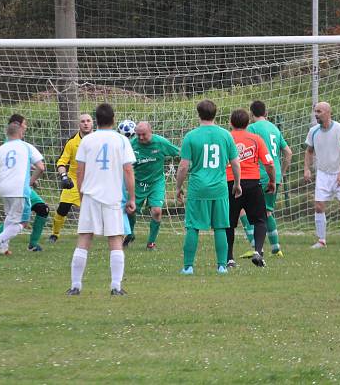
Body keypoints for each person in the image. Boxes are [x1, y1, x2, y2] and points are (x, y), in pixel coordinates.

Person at [66, 104, 136, 296]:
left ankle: (75, 286)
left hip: (90, 195)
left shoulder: (87, 141)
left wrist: (81, 195)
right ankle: (115, 287)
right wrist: (131, 197)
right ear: (114, 119)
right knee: (115, 240)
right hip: (113, 196)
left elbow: (80, 170)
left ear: (95, 120)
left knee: (84, 239)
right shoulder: (121, 141)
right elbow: (128, 170)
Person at [175, 99, 241, 275]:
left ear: (199, 114)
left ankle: (188, 267)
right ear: (216, 113)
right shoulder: (226, 135)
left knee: (193, 227)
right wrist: (237, 183)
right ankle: (221, 266)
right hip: (219, 188)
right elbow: (235, 163)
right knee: (220, 226)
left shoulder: (191, 136)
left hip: (198, 188)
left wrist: (178, 187)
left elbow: (183, 166)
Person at [304, 102, 340, 249]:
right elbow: (309, 151)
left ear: (328, 112)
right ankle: (321, 240)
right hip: (323, 173)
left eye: (319, 111)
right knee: (318, 206)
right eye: (315, 111)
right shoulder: (313, 131)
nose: (316, 114)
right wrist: (307, 169)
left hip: (339, 172)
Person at [0, 121, 45, 255]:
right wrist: (30, 181)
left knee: (10, 218)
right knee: (22, 222)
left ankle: (2, 248)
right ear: (21, 133)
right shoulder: (26, 146)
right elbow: (41, 167)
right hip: (19, 189)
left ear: (7, 134)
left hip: (3, 189)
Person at [241, 100, 293, 258]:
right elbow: (288, 153)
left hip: (259, 174)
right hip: (274, 175)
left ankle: (254, 246)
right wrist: (281, 173)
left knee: (243, 209)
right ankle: (276, 249)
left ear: (251, 114)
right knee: (267, 212)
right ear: (266, 113)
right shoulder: (274, 129)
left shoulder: (252, 128)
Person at [225, 109, 275, 268]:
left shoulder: (226, 138)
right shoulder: (256, 139)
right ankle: (258, 251)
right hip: (253, 183)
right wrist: (272, 181)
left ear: (230, 123)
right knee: (261, 220)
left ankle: (229, 258)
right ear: (248, 124)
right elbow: (269, 163)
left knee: (229, 223)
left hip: (230, 183)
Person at [127, 121, 180, 250]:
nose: (140, 137)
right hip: (138, 183)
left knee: (156, 211)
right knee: (130, 210)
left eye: (143, 134)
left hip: (156, 182)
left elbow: (179, 153)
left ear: (151, 132)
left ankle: (151, 243)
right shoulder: (131, 145)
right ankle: (130, 234)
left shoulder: (161, 143)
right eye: (138, 135)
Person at [48, 114, 93, 243]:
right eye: (83, 121)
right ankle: (55, 234)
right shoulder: (72, 142)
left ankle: (117, 234)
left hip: (93, 181)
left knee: (104, 209)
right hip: (74, 180)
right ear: (78, 124)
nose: (85, 123)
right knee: (62, 209)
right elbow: (61, 162)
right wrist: (64, 177)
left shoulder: (98, 140)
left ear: (92, 123)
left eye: (88, 121)